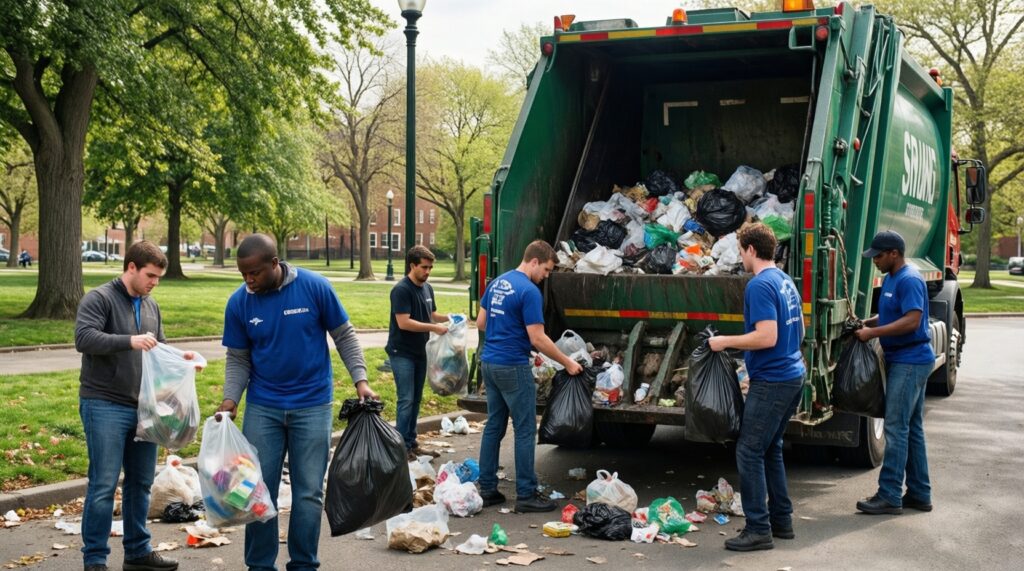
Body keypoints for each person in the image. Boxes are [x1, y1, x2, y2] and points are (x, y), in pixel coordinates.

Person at [216, 233, 376, 571]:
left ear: (275, 264)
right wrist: (231, 399)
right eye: (243, 274)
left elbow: (344, 335)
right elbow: (238, 358)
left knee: (308, 493)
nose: (249, 280)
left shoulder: (314, 287)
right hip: (264, 406)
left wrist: (361, 380)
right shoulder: (240, 302)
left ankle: (304, 563)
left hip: (313, 403)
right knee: (258, 491)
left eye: (255, 273)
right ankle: (260, 565)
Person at [75, 240, 199, 571]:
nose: (154, 282)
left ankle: (138, 553)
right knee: (103, 484)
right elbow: (83, 338)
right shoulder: (99, 299)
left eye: (158, 277)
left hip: (145, 408)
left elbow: (157, 346)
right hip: (104, 403)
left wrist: (181, 358)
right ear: (131, 268)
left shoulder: (151, 305)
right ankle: (95, 560)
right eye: (150, 275)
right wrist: (129, 341)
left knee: (140, 483)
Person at [708, 223, 806, 552]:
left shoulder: (759, 285)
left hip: (774, 380)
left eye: (740, 251)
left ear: (751, 250)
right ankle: (782, 521)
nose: (740, 257)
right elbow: (798, 332)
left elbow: (767, 336)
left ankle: (758, 529)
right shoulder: (785, 281)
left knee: (749, 451)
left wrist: (724, 342)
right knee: (771, 448)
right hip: (791, 374)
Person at [475, 240, 583, 513]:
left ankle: (487, 489)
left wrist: (509, 334)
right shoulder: (529, 291)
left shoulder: (497, 283)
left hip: (490, 363)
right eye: (546, 269)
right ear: (534, 261)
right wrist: (567, 361)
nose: (546, 275)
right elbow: (538, 337)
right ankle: (526, 494)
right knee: (524, 430)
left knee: (494, 427)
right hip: (513, 365)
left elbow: (482, 323)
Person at [854, 230, 934, 515]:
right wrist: (866, 322)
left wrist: (872, 333)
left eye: (878, 255)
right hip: (905, 359)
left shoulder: (909, 279)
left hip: (910, 361)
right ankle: (920, 493)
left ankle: (889, 495)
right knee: (911, 428)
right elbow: (892, 315)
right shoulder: (891, 278)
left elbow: (912, 321)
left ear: (894, 254)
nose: (874, 260)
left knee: (895, 429)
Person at [386, 245, 450, 460]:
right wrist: (434, 328)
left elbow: (432, 314)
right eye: (424, 267)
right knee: (406, 399)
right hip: (402, 352)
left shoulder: (427, 288)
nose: (428, 271)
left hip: (421, 352)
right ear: (412, 265)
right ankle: (401, 449)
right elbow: (403, 323)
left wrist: (451, 318)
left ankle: (412, 443)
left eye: (430, 267)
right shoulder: (401, 290)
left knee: (416, 399)